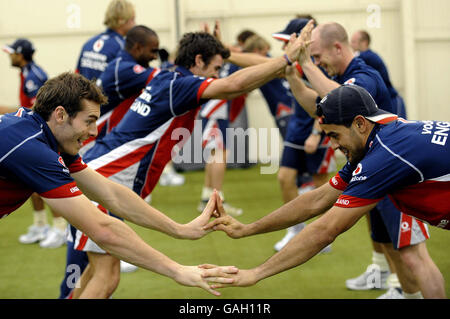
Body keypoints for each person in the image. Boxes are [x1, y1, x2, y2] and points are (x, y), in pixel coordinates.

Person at [62, 29, 304, 298]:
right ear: (198, 61)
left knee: (95, 271)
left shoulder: (170, 75)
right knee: (107, 277)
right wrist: (285, 60)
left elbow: (241, 85)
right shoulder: (181, 85)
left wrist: (278, 60)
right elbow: (234, 86)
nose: (216, 76)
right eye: (214, 68)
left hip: (102, 174)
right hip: (108, 178)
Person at [0, 71, 238, 298]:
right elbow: (103, 229)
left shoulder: (45, 135)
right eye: (89, 121)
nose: (94, 131)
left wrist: (180, 230)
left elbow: (111, 194)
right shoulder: (33, 148)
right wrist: (177, 270)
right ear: (60, 114)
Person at [204, 84, 448, 299]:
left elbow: (325, 230)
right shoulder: (379, 137)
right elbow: (318, 199)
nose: (333, 145)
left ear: (360, 123)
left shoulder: (384, 156)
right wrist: (248, 229)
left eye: (334, 135)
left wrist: (256, 273)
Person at [58, 25, 161, 298]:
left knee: (91, 268)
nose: (154, 56)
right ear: (136, 47)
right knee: (102, 273)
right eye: (152, 51)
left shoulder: (114, 61)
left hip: (94, 164)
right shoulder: (124, 69)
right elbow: (167, 80)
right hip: (98, 165)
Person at [347, 29, 409, 295]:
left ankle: (399, 283)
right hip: (375, 137)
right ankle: (381, 270)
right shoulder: (356, 66)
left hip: (387, 135)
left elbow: (354, 100)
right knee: (372, 207)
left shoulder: (366, 61)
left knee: (390, 209)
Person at [269, 18, 336, 251]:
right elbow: (259, 64)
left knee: (321, 186)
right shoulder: (291, 64)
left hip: (318, 131)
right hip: (296, 131)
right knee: (284, 178)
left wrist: (317, 133)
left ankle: (323, 236)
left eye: (286, 42)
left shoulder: (317, 64)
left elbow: (327, 100)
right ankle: (296, 230)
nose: (282, 48)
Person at [2, 38, 67, 249]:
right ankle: (41, 225)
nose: (9, 55)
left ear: (21, 54)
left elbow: (38, 112)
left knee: (43, 183)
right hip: (30, 133)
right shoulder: (26, 73)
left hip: (40, 137)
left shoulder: (33, 77)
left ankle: (60, 228)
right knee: (28, 183)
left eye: (12, 52)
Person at [75, 0, 135, 80]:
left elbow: (76, 75)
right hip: (103, 92)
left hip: (83, 92)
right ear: (121, 20)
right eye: (132, 19)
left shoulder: (89, 43)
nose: (135, 24)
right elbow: (128, 79)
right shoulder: (123, 47)